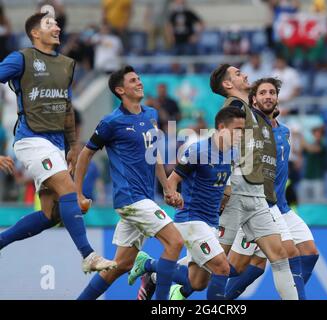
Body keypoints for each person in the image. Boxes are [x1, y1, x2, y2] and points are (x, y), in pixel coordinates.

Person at [0, 12, 115, 273]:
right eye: (49, 24)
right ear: (35, 33)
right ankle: (88, 255)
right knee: (69, 191)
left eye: (57, 23)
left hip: (56, 144)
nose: (57, 27)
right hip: (31, 139)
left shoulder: (65, 64)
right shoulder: (21, 58)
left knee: (51, 215)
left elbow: (66, 107)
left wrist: (72, 146)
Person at [75, 65, 184, 300]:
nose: (139, 82)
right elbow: (85, 154)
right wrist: (78, 194)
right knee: (175, 242)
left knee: (120, 266)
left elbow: (154, 154)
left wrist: (167, 188)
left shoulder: (151, 114)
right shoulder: (111, 122)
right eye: (133, 80)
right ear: (120, 90)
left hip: (144, 198)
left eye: (139, 78)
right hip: (131, 199)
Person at [128, 107, 246, 300]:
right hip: (192, 220)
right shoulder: (198, 150)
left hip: (211, 222)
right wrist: (172, 194)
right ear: (222, 127)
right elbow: (173, 180)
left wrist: (227, 197)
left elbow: (223, 184)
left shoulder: (231, 153)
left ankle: (149, 265)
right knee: (223, 268)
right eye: (237, 129)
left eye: (243, 129)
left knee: (197, 283)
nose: (241, 134)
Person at [207, 64, 298, 300]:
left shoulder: (247, 109)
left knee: (280, 255)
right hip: (236, 191)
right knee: (211, 268)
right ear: (228, 85)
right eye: (238, 73)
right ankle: (154, 271)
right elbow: (221, 144)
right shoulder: (235, 107)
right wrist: (225, 187)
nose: (245, 74)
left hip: (257, 195)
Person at [226, 78, 319, 300]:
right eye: (263, 93)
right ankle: (184, 282)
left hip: (280, 206)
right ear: (254, 100)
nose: (268, 96)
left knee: (308, 253)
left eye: (272, 93)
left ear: (277, 98)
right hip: (256, 205)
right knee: (235, 267)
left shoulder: (284, 132)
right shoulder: (252, 126)